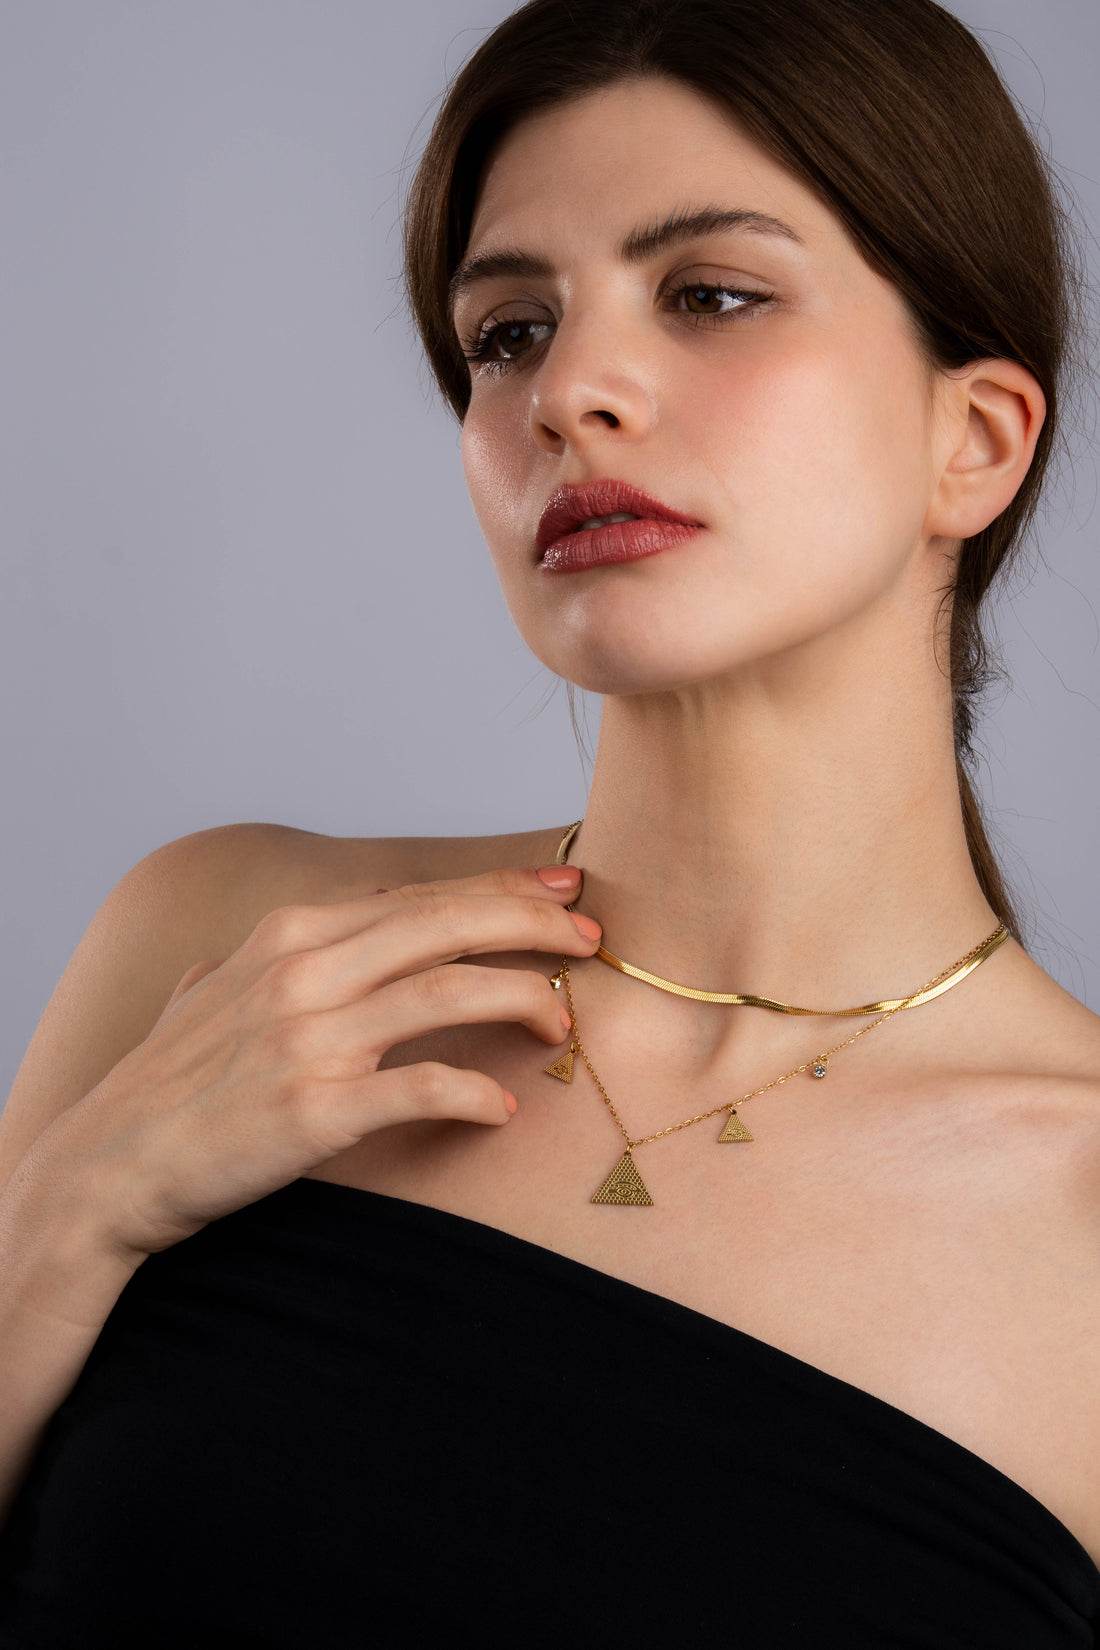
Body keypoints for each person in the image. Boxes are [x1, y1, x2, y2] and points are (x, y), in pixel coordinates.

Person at [0, 0, 1097, 1642]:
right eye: (509, 330)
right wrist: (65, 1214)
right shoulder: (229, 949)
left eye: (710, 295)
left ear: (975, 440)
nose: (569, 391)